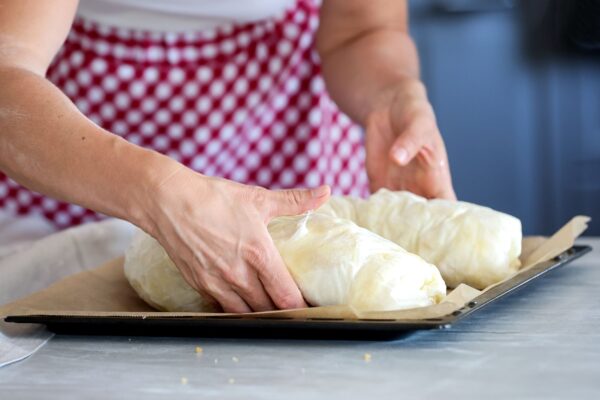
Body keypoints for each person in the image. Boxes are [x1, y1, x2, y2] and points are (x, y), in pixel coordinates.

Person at [0, 0, 455, 312]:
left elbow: (363, 28)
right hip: (74, 143)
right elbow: (6, 73)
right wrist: (159, 193)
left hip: (280, 130)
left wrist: (393, 94)